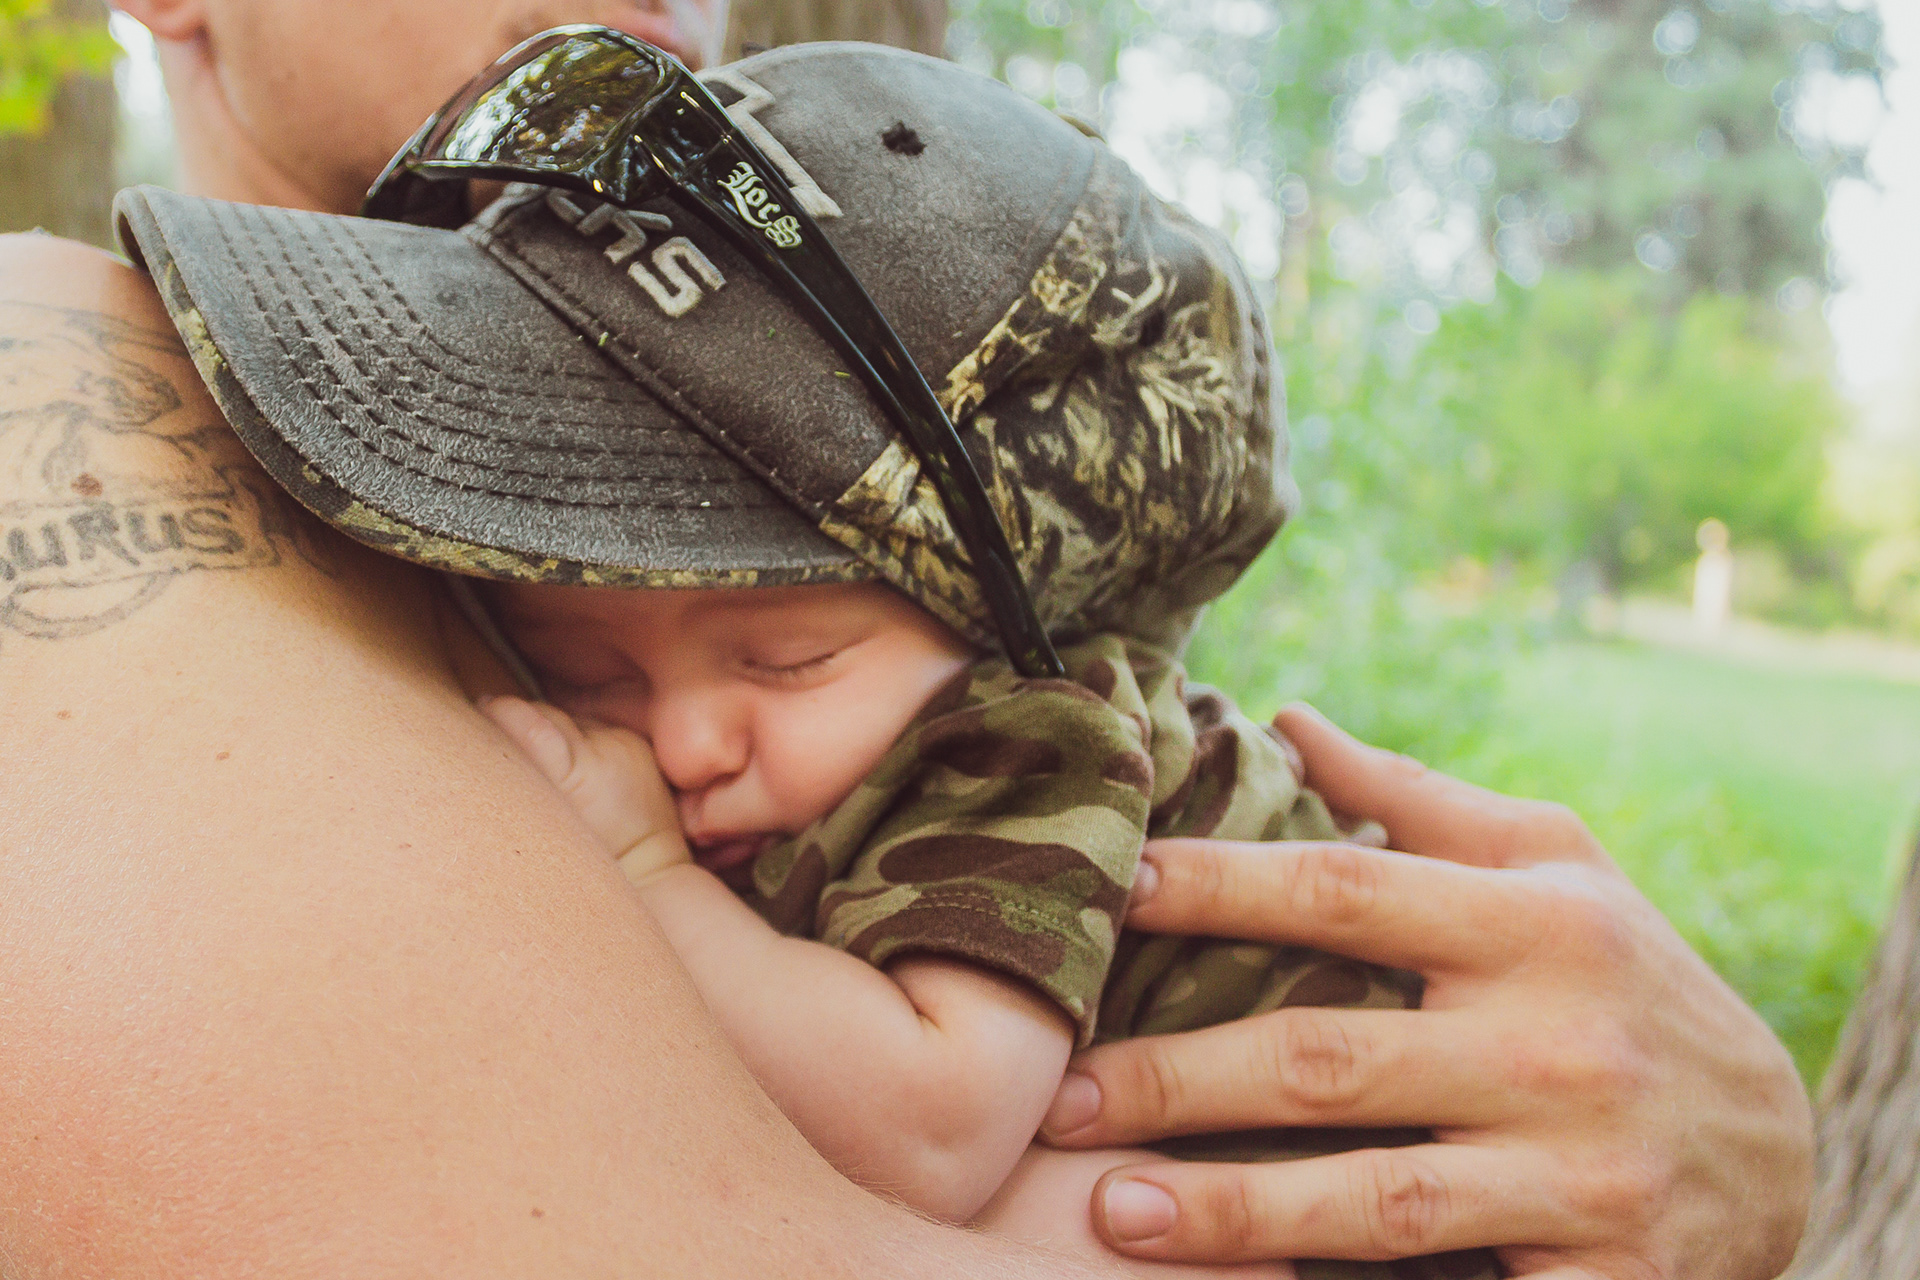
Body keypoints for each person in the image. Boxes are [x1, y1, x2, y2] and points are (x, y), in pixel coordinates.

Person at [0, 0, 1814, 1275]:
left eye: (780, 657)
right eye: (595, 658)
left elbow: (941, 1124)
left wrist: (1724, 1153)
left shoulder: (1015, 735)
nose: (679, 731)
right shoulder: (54, 391)